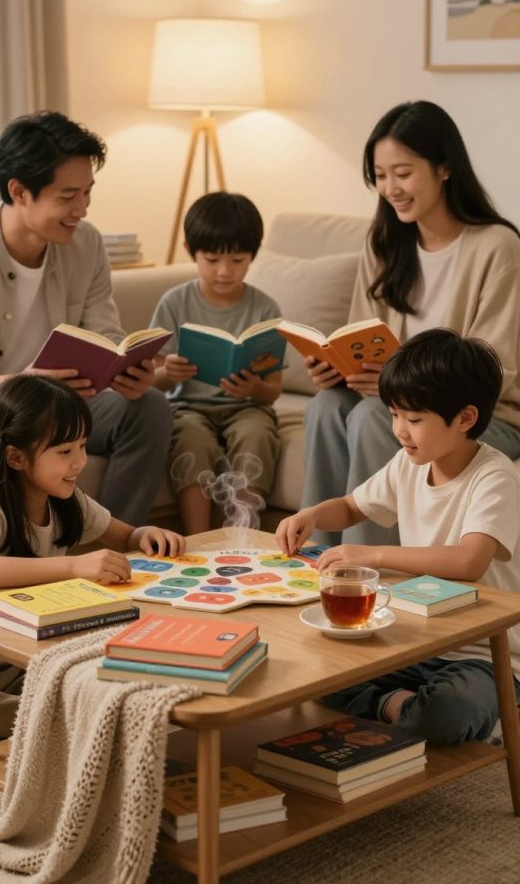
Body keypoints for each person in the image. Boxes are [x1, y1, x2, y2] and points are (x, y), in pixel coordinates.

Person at [277, 329, 520, 744]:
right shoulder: (410, 463)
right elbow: (352, 506)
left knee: (447, 713)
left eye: (414, 420)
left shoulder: (494, 478)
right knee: (314, 670)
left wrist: (373, 554)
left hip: (483, 654)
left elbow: (469, 561)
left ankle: (436, 707)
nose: (400, 431)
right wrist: (312, 514)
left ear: (465, 418)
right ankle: (399, 705)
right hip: (418, 642)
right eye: (393, 415)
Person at [0, 111, 173, 524]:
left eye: (87, 192)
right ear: (19, 191)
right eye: (67, 196)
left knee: (148, 408)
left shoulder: (87, 244)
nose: (81, 209)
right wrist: (19, 384)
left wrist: (127, 374)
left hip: (53, 406)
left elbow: (106, 336)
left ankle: (120, 546)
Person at [301, 100, 520, 547]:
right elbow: (359, 335)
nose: (390, 189)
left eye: (402, 173)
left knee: (370, 416)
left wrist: (402, 382)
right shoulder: (384, 244)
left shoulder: (497, 247)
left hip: (477, 417)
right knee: (325, 406)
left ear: (444, 168)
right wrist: (337, 368)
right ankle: (311, 556)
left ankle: (365, 568)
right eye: (380, 176)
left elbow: (495, 368)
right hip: (399, 405)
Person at [0, 374, 185, 751]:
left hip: (27, 655)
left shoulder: (66, 500)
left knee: (97, 664)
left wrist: (146, 534)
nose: (79, 461)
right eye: (64, 451)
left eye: (82, 445)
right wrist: (74, 567)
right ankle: (64, 719)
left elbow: (125, 535)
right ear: (16, 457)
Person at [150, 191, 282, 534]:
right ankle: (197, 540)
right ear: (190, 251)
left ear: (253, 255)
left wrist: (253, 387)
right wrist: (168, 373)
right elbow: (152, 381)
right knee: (190, 439)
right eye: (211, 260)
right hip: (188, 407)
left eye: (238, 260)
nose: (225, 271)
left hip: (248, 408)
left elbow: (272, 392)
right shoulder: (174, 303)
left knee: (256, 435)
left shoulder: (265, 308)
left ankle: (244, 537)